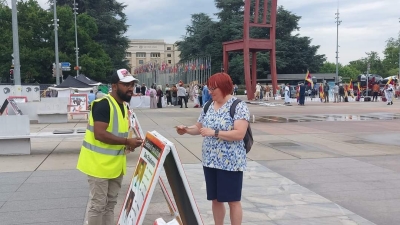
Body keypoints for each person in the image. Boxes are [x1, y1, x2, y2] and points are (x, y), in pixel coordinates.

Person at [175, 72, 249, 225]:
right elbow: (199, 127)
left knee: (233, 200)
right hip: (210, 161)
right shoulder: (208, 105)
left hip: (230, 162)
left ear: (224, 87)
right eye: (209, 88)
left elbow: (239, 133)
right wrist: (186, 129)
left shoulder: (238, 106)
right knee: (215, 199)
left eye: (213, 88)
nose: (210, 91)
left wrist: (214, 133)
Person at [77, 69, 143, 225]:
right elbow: (99, 134)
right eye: (126, 84)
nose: (130, 88)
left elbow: (117, 132)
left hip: (115, 165)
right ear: (114, 86)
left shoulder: (124, 107)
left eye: (132, 84)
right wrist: (127, 142)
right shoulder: (103, 105)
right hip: (98, 165)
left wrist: (129, 145)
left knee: (110, 204)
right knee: (98, 206)